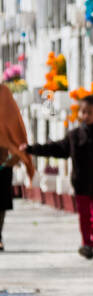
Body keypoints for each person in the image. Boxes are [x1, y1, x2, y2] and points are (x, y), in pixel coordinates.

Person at [23, 94, 93, 259]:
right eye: (83, 112)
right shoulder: (75, 135)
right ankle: (86, 243)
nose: (85, 116)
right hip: (81, 182)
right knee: (84, 215)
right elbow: (56, 148)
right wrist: (31, 149)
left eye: (90, 112)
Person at [0, 82, 36, 253]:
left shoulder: (4, 93)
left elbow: (14, 124)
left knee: (1, 202)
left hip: (3, 158)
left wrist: (16, 151)